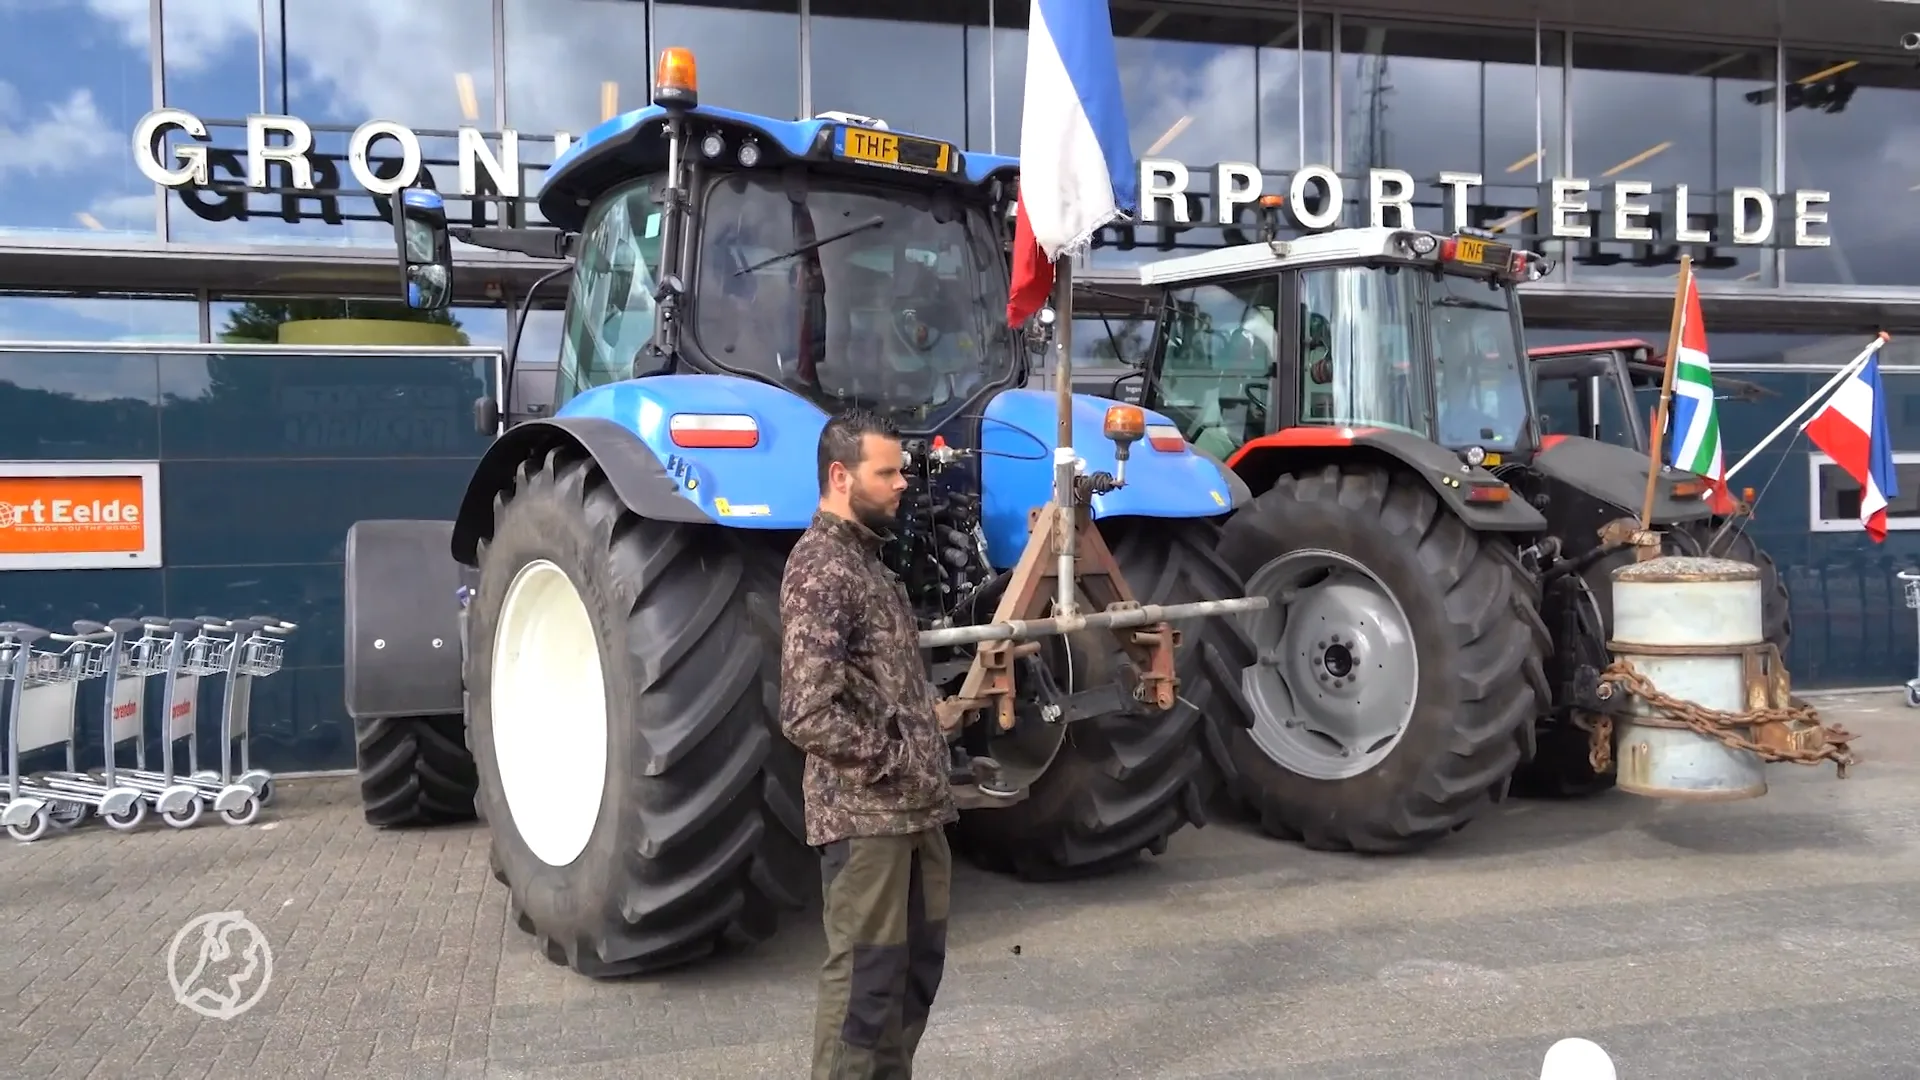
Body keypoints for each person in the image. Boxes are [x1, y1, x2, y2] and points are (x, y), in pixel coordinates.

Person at [779, 408, 958, 1079]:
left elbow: (880, 687)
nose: (902, 483)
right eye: (886, 473)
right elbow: (806, 712)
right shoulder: (822, 569)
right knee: (865, 987)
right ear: (840, 477)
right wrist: (899, 759)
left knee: (912, 975)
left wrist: (932, 722)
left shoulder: (871, 566)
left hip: (917, 813)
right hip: (866, 818)